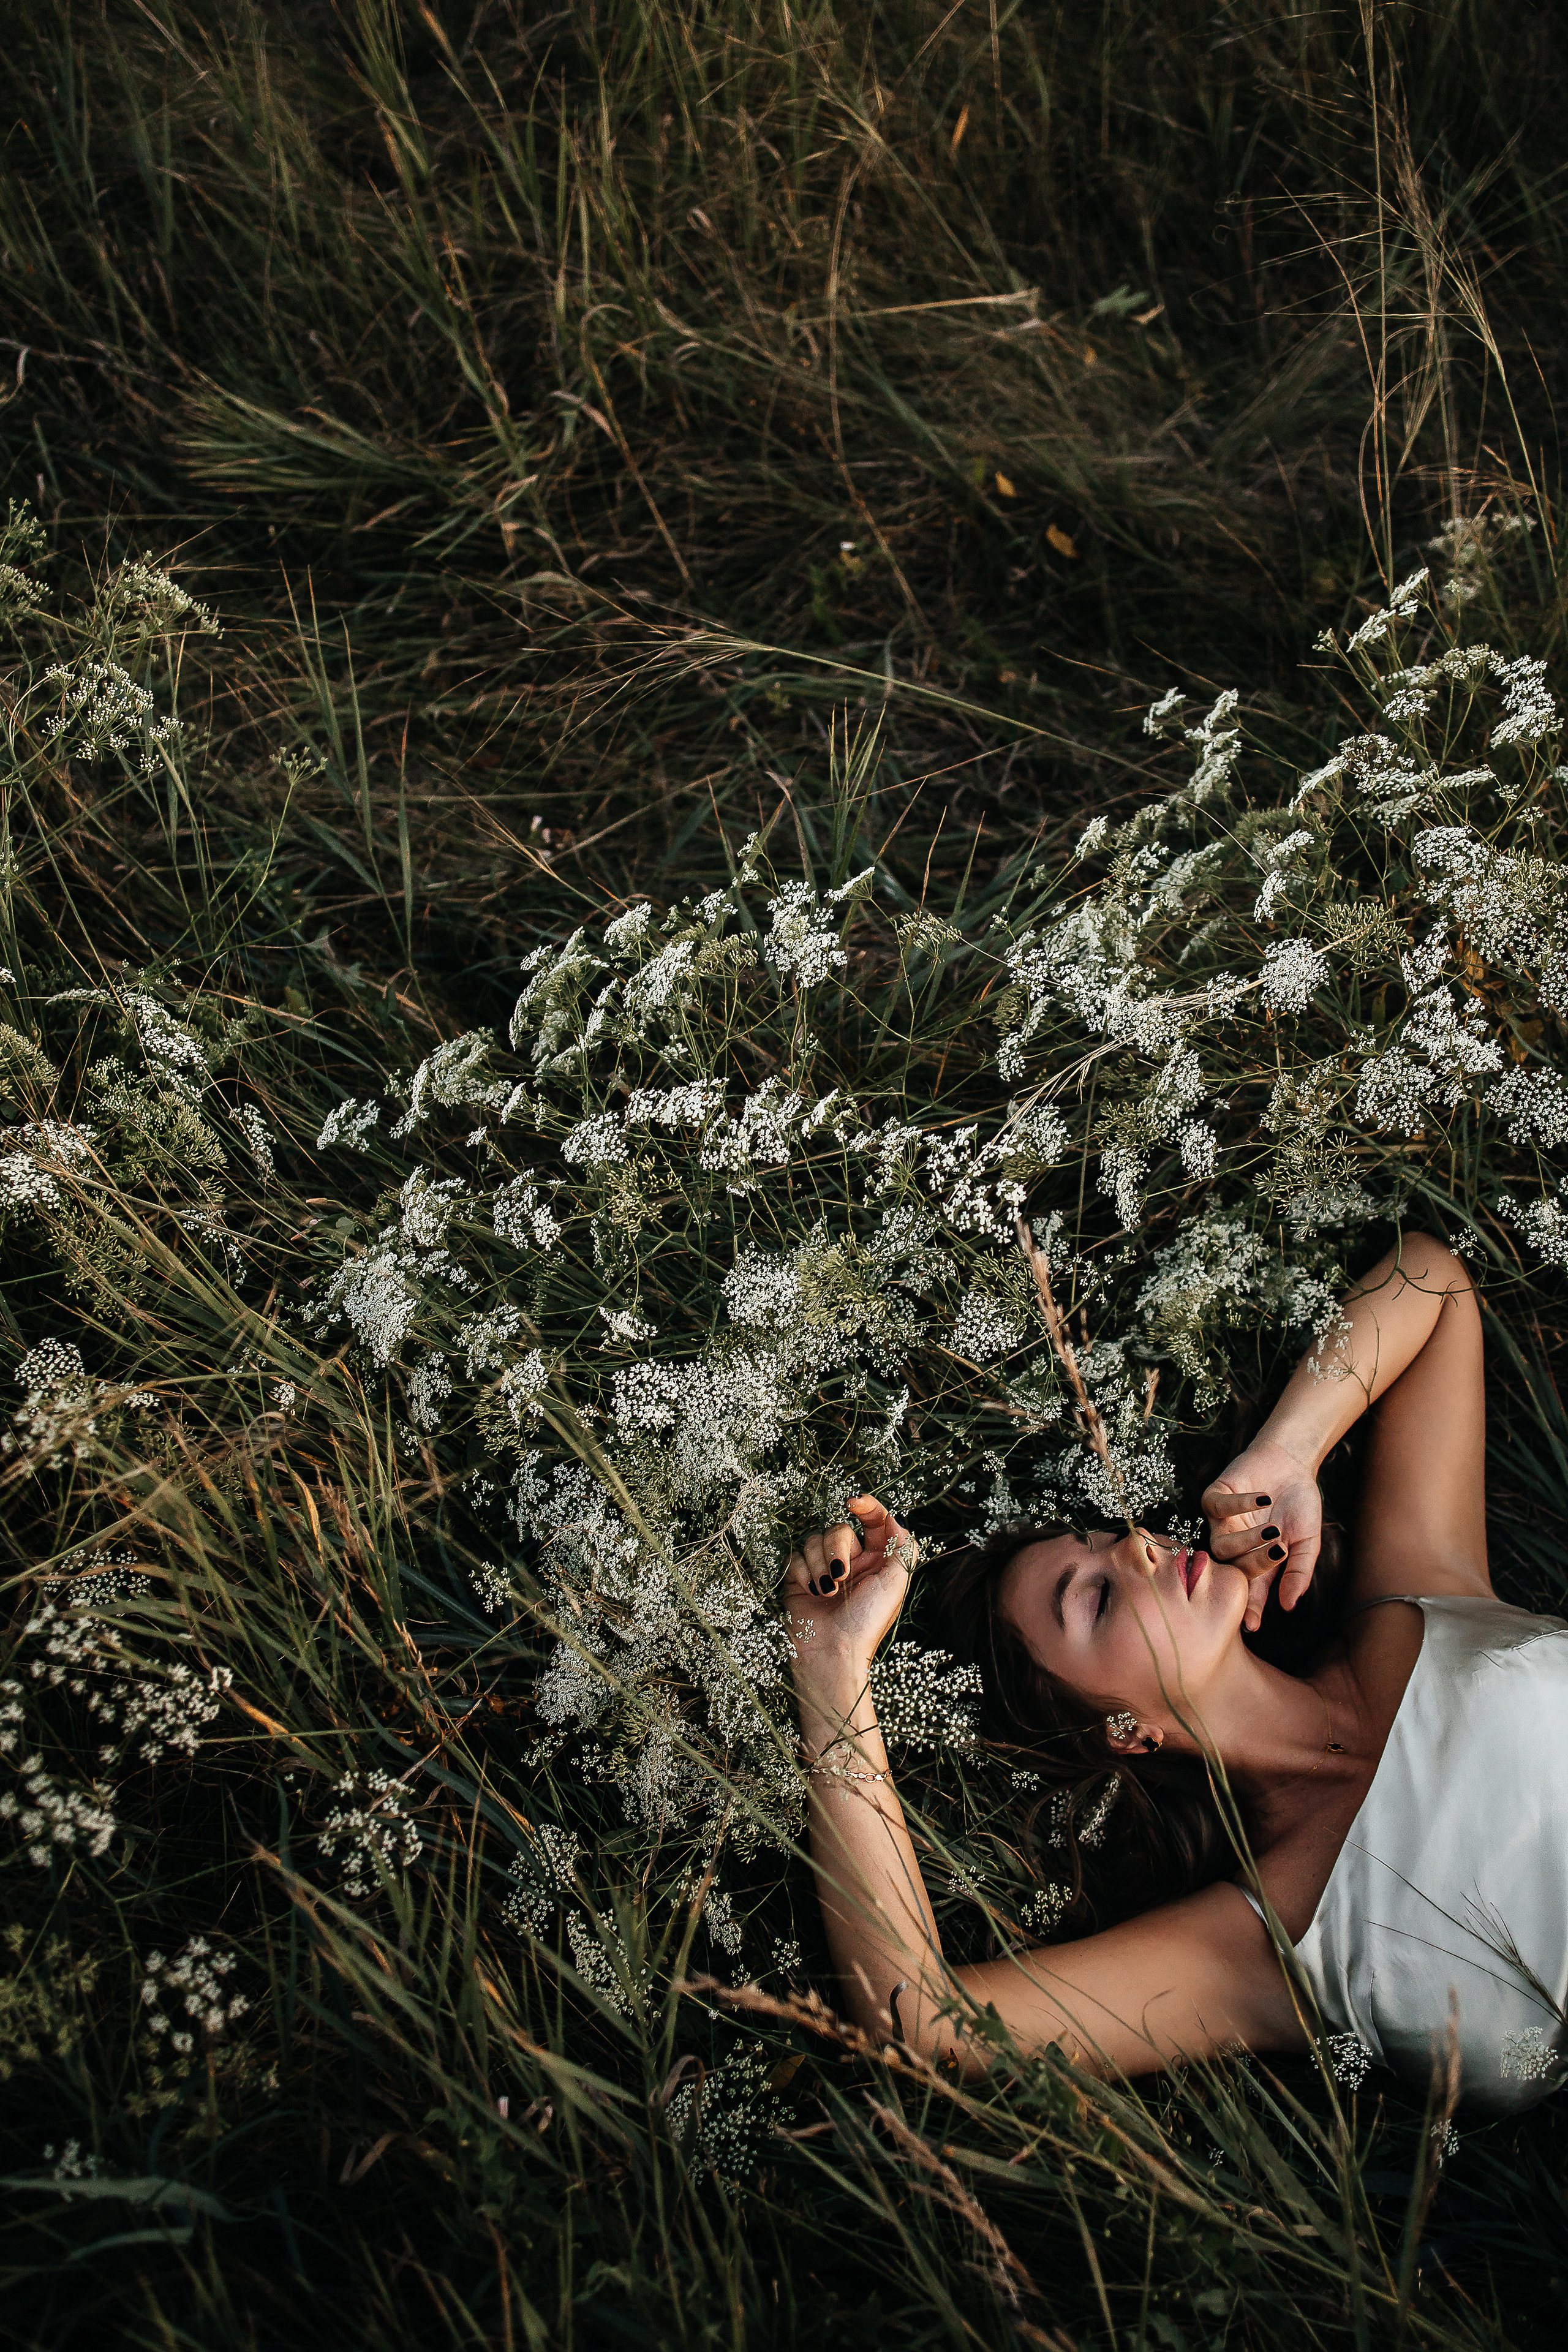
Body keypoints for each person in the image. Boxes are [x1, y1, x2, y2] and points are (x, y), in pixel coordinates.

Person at [786, 1234, 1568, 2111]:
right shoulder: (1260, 1945)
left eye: (1107, 1540)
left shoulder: (1410, 1603)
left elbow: (1433, 1280)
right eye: (1098, 1602)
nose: (1138, 1548)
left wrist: (1286, 1455)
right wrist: (828, 1662)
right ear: (1124, 1732)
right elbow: (923, 2024)